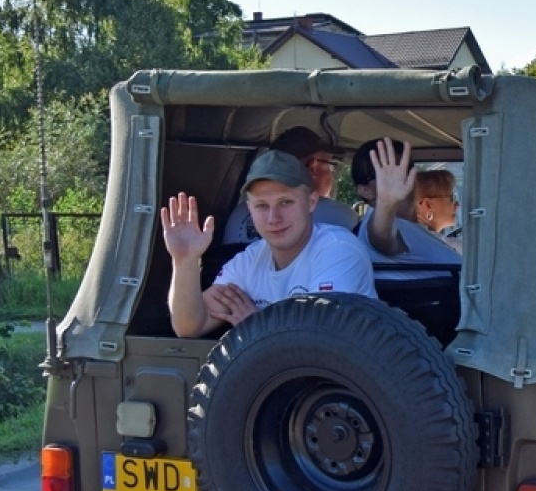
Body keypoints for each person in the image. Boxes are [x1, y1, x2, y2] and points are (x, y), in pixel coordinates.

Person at [160, 150, 376, 338]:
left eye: (285, 202)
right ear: (249, 209)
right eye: (262, 205)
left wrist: (257, 326)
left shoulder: (338, 250)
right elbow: (189, 326)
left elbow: (317, 339)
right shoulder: (249, 261)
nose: (274, 218)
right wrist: (185, 261)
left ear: (311, 202)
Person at [223, 127, 357, 244]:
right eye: (330, 166)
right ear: (313, 168)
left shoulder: (238, 212)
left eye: (285, 202)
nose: (273, 219)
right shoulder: (339, 215)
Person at [351, 138, 462, 267]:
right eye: (385, 174)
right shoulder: (377, 226)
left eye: (405, 169)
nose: (398, 177)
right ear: (365, 191)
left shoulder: (412, 229)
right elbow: (381, 238)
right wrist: (386, 203)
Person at [413, 168, 462, 254]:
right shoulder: (454, 248)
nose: (458, 205)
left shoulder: (407, 239)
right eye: (451, 198)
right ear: (428, 205)